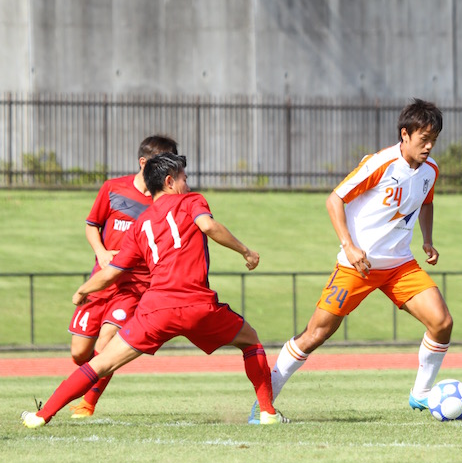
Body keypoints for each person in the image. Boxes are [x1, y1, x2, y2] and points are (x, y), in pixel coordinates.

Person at [21, 153, 286, 428]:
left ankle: (42, 416)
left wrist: (82, 291)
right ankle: (266, 412)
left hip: (155, 310)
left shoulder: (140, 225)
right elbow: (207, 225)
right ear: (170, 181)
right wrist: (247, 251)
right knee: (250, 341)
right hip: (197, 306)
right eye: (184, 177)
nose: (187, 183)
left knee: (102, 363)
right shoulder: (192, 201)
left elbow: (112, 272)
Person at [249, 98, 452, 423]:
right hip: (356, 266)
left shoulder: (431, 171)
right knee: (315, 334)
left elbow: (427, 202)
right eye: (423, 139)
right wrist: (350, 246)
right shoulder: (380, 164)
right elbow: (334, 200)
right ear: (405, 134)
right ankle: (265, 403)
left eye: (434, 140)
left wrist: (427, 240)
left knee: (442, 323)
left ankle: (422, 394)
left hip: (399, 266)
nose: (429, 146)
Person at [67, 135, 178, 419]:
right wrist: (102, 252)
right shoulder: (112, 188)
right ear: (144, 163)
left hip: (135, 286)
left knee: (106, 344)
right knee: (80, 353)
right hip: (101, 281)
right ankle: (80, 382)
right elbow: (92, 225)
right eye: (165, 164)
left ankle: (86, 404)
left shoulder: (166, 200)